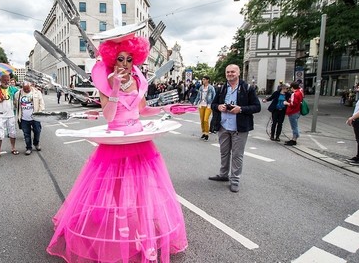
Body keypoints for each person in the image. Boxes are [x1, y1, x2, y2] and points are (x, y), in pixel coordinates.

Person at [47, 34, 188, 262]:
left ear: (135, 60)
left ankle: (144, 233)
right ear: (113, 60)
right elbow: (108, 115)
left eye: (129, 59)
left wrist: (167, 108)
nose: (124, 64)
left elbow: (143, 110)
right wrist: (114, 89)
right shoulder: (105, 83)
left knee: (143, 189)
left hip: (140, 141)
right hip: (116, 142)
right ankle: (122, 222)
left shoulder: (139, 81)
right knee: (117, 189)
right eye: (120, 59)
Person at [208, 64, 261, 192]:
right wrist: (219, 107)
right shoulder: (221, 89)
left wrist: (241, 109)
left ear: (238, 73)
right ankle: (223, 174)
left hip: (240, 127)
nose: (230, 74)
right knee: (224, 152)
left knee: (237, 155)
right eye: (228, 72)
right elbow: (213, 105)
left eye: (233, 72)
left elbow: (257, 107)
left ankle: (235, 180)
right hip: (224, 126)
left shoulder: (247, 88)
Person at [0, 74, 19, 159]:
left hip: (10, 115)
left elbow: (21, 93)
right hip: (0, 115)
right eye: (4, 80)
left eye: (8, 80)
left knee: (12, 132)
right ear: (1, 81)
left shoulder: (13, 89)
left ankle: (13, 148)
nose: (6, 82)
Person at [14, 81, 45, 155]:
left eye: (28, 89)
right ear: (22, 88)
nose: (27, 90)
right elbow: (15, 104)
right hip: (24, 118)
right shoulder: (18, 94)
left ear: (31, 86)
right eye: (25, 89)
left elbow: (42, 104)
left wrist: (39, 112)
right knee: (26, 134)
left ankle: (36, 143)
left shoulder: (37, 92)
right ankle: (28, 148)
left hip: (35, 117)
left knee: (37, 131)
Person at [193, 76, 216, 141]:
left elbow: (214, 96)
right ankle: (203, 132)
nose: (203, 81)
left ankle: (207, 134)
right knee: (202, 120)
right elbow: (198, 96)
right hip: (201, 104)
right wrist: (195, 102)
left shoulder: (211, 88)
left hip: (208, 105)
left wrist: (213, 104)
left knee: (206, 119)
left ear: (208, 80)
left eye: (204, 79)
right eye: (202, 79)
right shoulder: (201, 87)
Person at [283, 82, 304, 146]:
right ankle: (294, 139)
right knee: (295, 125)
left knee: (294, 126)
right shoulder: (300, 92)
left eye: (290, 88)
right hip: (297, 111)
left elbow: (293, 104)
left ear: (292, 87)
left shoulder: (294, 94)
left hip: (293, 111)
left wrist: (286, 103)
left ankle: (294, 139)